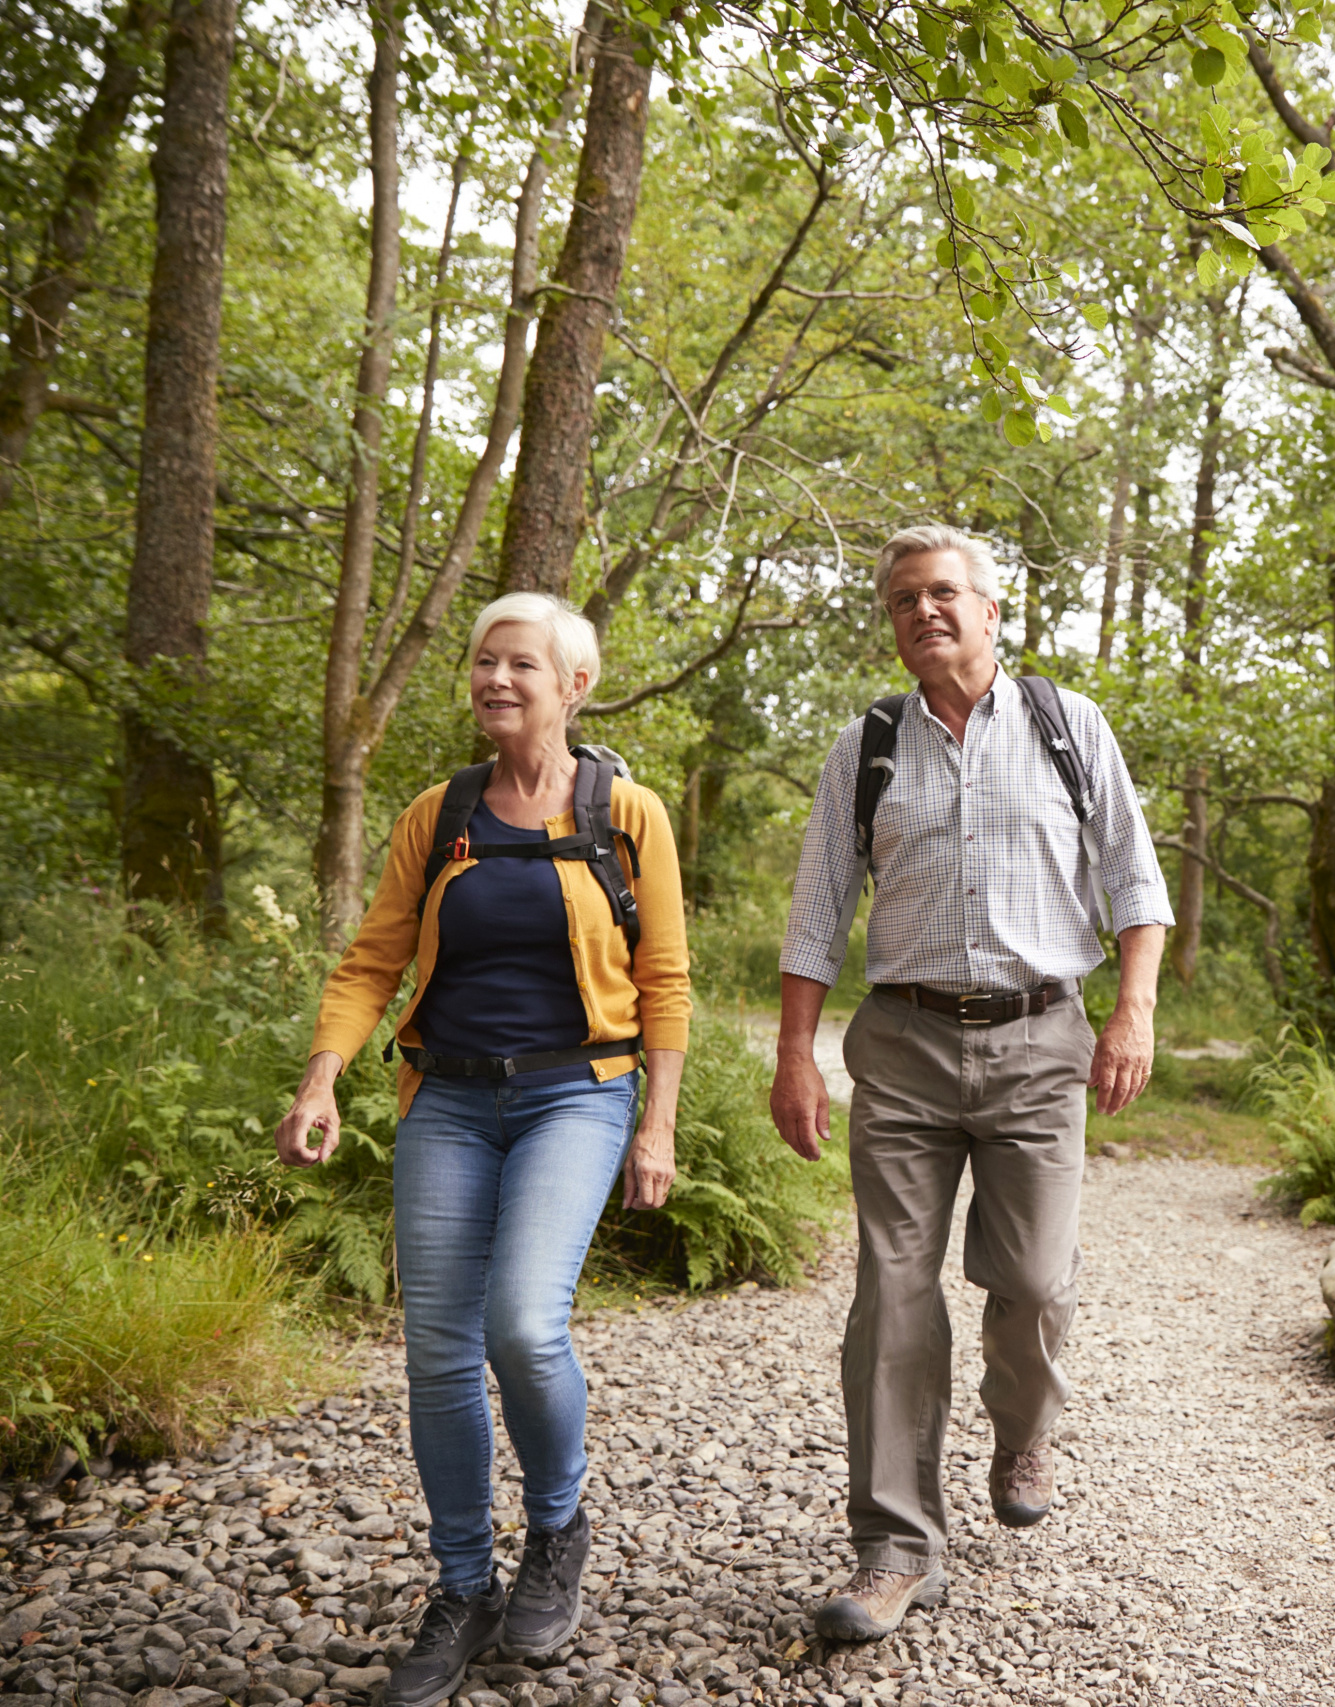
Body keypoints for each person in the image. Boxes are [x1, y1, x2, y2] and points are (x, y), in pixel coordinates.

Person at [274, 592, 692, 1707]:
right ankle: (462, 1586)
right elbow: (372, 961)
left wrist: (657, 1125)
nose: (494, 680)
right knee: (438, 1355)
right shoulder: (440, 812)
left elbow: (665, 985)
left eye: (520, 664)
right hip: (446, 1102)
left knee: (522, 1322)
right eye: (482, 663)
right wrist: (323, 1080)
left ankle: (557, 1527)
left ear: (575, 684)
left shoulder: (629, 814)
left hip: (577, 1095)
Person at [770, 524, 1171, 1641]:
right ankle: (895, 1548)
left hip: (1042, 1044)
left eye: (945, 593)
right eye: (903, 599)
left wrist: (1130, 1011)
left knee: (1035, 1283)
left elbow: (1135, 883)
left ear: (993, 612)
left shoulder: (1066, 725)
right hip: (901, 1050)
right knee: (892, 1294)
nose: (924, 612)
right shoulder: (870, 745)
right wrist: (794, 1055)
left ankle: (1023, 1424)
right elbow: (816, 915)